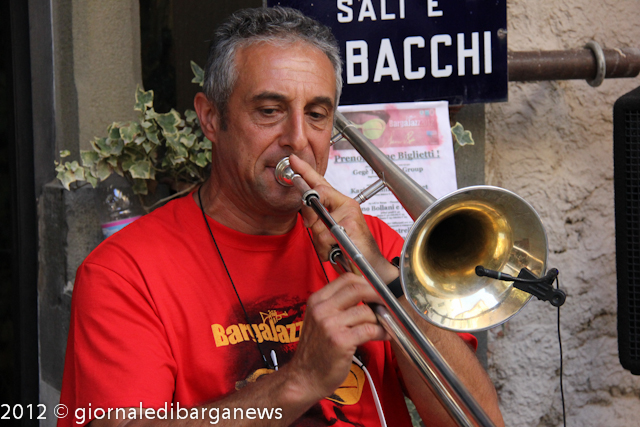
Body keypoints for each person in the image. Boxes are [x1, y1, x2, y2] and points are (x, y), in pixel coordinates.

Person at [58, 6, 504, 427]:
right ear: (210, 118)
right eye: (269, 111)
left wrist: (387, 279)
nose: (298, 138)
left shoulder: (370, 244)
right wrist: (298, 381)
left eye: (317, 114)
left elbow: (476, 419)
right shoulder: (124, 273)